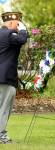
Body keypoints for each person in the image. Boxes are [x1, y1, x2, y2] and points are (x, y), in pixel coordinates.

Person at [0, 12, 28, 144]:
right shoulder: (10, 34)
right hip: (6, 78)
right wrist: (23, 29)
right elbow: (22, 39)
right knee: (4, 109)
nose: (18, 27)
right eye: (18, 23)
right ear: (11, 23)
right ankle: (2, 137)